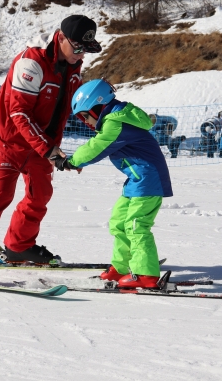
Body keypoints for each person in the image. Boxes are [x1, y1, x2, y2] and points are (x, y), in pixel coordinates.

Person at [0, 15, 102, 279]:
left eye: (86, 49)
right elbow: (19, 114)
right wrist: (50, 151)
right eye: (77, 47)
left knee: (40, 194)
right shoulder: (32, 62)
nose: (81, 54)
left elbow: (72, 109)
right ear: (60, 37)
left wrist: (106, 121)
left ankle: (19, 247)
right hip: (9, 139)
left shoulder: (73, 67)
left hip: (40, 143)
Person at [54, 79, 173, 289]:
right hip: (136, 181)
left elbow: (96, 147)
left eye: (84, 116)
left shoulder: (115, 122)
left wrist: (70, 161)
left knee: (137, 226)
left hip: (148, 181)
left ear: (97, 106)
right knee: (118, 221)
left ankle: (146, 274)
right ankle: (122, 267)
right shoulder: (116, 119)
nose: (85, 122)